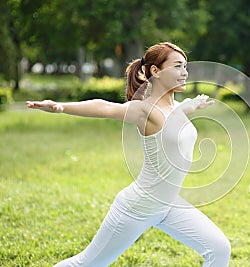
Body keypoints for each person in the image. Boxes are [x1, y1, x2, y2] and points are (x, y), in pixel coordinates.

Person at [26, 42, 231, 267]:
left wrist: (190, 105)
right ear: (156, 71)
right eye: (178, 66)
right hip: (138, 206)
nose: (185, 72)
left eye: (186, 66)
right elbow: (104, 107)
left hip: (169, 205)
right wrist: (61, 107)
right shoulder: (144, 110)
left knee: (219, 249)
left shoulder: (177, 107)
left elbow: (175, 120)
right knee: (86, 264)